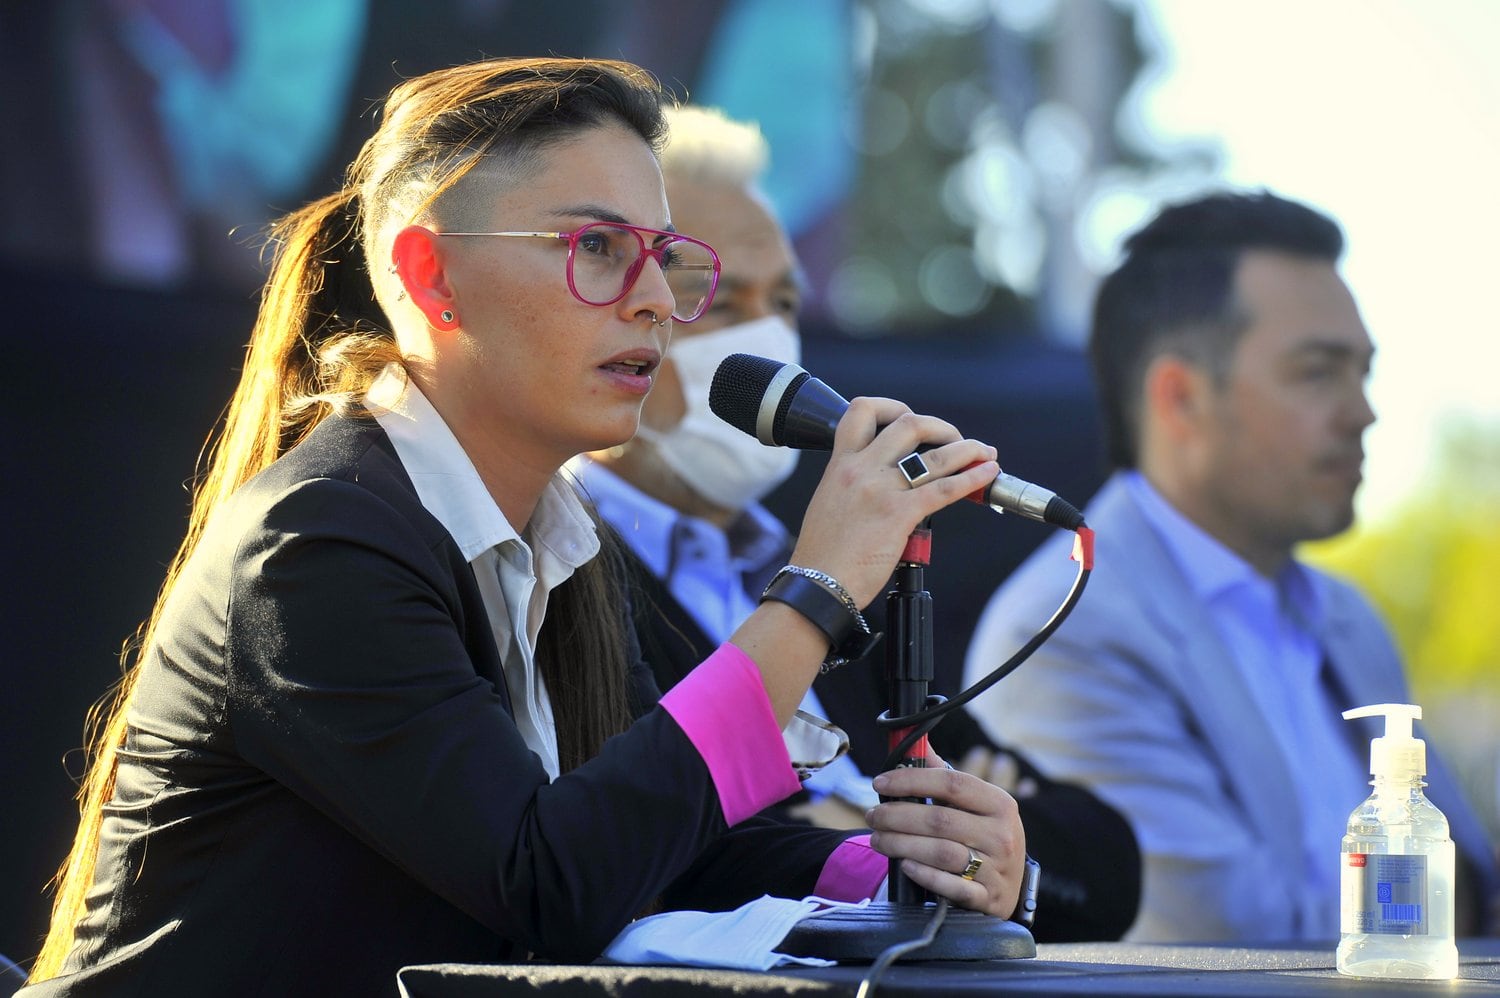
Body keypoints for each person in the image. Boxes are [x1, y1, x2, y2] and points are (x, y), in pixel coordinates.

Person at [24, 57, 1024, 996]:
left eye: (663, 257)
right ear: (430, 277)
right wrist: (817, 588)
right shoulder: (316, 542)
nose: (653, 303)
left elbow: (663, 836)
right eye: (595, 247)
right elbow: (549, 880)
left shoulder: (564, 542)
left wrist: (894, 867)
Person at [571, 104, 1139, 942]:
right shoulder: (557, 564)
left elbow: (1107, 864)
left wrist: (999, 860)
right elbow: (654, 848)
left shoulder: (835, 572)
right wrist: (879, 852)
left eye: (786, 303)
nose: (769, 337)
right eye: (720, 303)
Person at [962, 190, 1499, 942]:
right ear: (1180, 398)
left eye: (1364, 372)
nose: (1363, 411)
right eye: (1318, 372)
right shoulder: (1064, 627)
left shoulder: (1347, 619)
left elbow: (1475, 875)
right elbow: (1226, 944)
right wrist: (1447, 905)